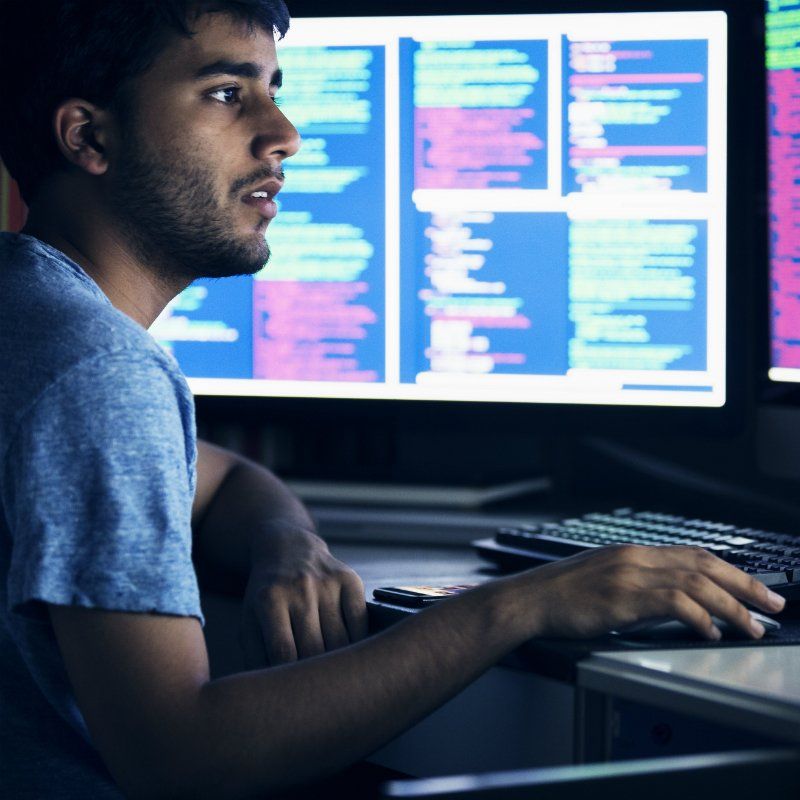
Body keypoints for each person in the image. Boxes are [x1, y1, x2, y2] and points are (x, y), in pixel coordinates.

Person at [0, 1, 786, 797]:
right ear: (89, 137)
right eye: (227, 94)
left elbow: (226, 477)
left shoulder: (27, 308)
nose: (285, 135)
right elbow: (184, 756)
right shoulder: (101, 372)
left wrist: (289, 542)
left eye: (274, 88)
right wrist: (521, 605)